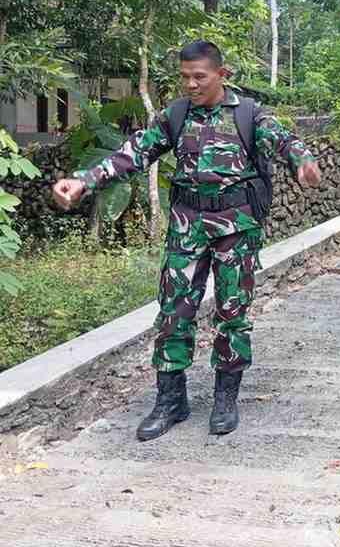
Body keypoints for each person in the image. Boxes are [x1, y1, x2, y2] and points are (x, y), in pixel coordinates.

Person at [52, 40, 322, 441]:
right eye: (185, 77)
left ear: (221, 75)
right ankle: (171, 400)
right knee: (174, 313)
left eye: (200, 77)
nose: (191, 85)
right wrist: (84, 181)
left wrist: (303, 163)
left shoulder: (249, 114)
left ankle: (226, 398)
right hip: (186, 225)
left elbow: (284, 141)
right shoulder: (175, 116)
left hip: (236, 227)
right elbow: (133, 154)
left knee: (232, 314)